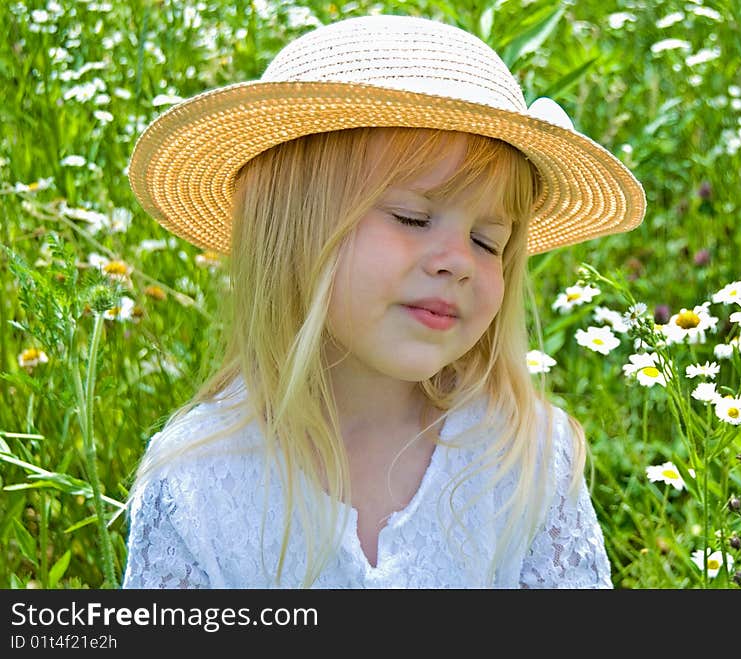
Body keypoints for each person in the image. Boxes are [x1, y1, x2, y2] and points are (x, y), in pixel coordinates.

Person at [122, 13, 645, 589]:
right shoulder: (199, 478)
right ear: (293, 231)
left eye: (487, 240)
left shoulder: (523, 460)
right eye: (412, 217)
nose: (457, 260)